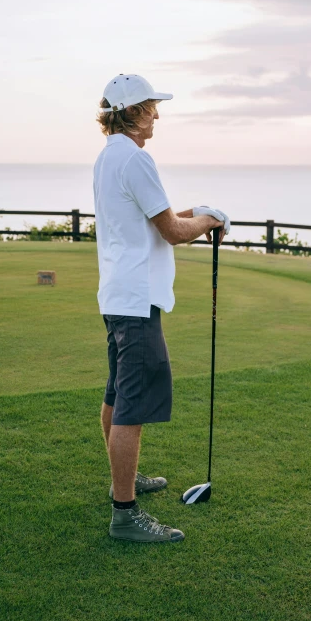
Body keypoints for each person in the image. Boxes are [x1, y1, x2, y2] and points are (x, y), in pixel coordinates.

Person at [93, 73, 230, 543]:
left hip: (118, 296)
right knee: (131, 405)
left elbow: (157, 221)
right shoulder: (136, 160)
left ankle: (121, 483)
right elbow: (172, 231)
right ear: (132, 113)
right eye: (151, 107)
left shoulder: (109, 158)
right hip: (136, 300)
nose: (157, 114)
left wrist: (199, 213)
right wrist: (209, 220)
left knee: (117, 394)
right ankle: (125, 513)